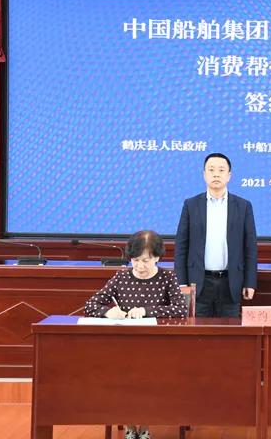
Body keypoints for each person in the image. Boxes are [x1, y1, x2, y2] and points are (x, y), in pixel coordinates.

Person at [84, 230, 187, 439]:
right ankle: (130, 426)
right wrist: (107, 312)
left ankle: (145, 425)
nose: (140, 266)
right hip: (124, 347)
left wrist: (146, 311)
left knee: (151, 377)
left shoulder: (167, 277)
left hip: (158, 347)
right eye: (135, 260)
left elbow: (180, 309)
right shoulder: (121, 277)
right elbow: (90, 304)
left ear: (157, 257)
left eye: (145, 260)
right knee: (122, 376)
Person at [174, 152, 258, 317]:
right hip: (198, 282)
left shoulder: (243, 206)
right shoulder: (191, 205)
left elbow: (250, 248)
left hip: (230, 283)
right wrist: (182, 283)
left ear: (229, 176)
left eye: (221, 170)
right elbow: (181, 246)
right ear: (204, 174)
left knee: (229, 330)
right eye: (211, 170)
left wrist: (250, 282)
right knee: (197, 330)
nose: (216, 174)